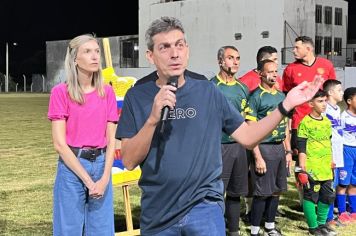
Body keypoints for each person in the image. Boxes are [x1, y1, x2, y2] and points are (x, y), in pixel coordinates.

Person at [115, 16, 323, 236]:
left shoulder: (207, 91)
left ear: (187, 49)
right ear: (150, 55)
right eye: (164, 47)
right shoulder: (137, 96)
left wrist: (286, 105)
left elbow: (248, 136)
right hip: (159, 213)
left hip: (203, 208)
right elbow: (129, 160)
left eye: (179, 45)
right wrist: (153, 119)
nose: (174, 53)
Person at [48, 34, 118, 235]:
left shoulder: (107, 92)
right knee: (68, 230)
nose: (95, 56)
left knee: (102, 231)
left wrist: (105, 178)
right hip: (72, 168)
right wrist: (88, 181)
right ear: (74, 59)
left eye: (97, 51)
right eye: (87, 51)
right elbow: (60, 144)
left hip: (102, 165)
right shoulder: (61, 93)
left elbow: (112, 139)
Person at [245, 59, 292, 236]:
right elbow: (250, 128)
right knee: (262, 192)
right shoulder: (255, 97)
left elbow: (285, 125)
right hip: (263, 148)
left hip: (279, 148)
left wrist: (287, 151)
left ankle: (270, 227)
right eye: (269, 71)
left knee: (276, 190)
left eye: (275, 71)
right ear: (260, 74)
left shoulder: (281, 96)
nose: (273, 74)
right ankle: (255, 230)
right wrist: (257, 156)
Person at [211, 45, 249, 236]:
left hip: (239, 147)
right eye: (230, 58)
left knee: (236, 192)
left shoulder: (243, 88)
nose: (235, 62)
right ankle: (216, 230)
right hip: (219, 147)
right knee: (217, 193)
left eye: (237, 58)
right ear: (220, 61)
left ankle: (233, 230)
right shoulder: (211, 87)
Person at [283, 36, 336, 156]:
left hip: (323, 122)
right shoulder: (290, 69)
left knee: (322, 157)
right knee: (301, 161)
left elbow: (333, 92)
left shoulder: (326, 65)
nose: (293, 50)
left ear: (308, 49)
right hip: (300, 122)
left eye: (297, 48)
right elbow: (286, 96)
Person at [297, 90, 337, 236]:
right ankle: (313, 228)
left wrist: (331, 160)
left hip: (326, 167)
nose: (324, 104)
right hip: (311, 167)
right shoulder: (305, 123)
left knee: (327, 196)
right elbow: (301, 146)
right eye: (320, 101)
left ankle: (322, 224)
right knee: (310, 197)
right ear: (311, 104)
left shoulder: (327, 122)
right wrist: (302, 169)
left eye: (325, 101)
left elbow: (329, 143)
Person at [322, 79, 346, 226]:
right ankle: (327, 218)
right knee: (329, 187)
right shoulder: (325, 109)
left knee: (334, 185)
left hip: (338, 153)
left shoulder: (338, 110)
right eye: (339, 90)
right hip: (329, 155)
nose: (342, 92)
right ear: (330, 92)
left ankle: (331, 216)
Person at [338, 87, 356, 222]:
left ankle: (354, 210)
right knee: (343, 182)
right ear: (349, 101)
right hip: (346, 150)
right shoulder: (342, 117)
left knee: (354, 183)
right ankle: (342, 211)